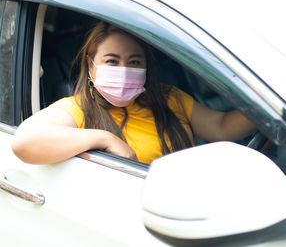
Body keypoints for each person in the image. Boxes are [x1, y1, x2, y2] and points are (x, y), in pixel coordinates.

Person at [11, 21, 256, 165]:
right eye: (112, 61)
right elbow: (25, 142)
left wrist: (272, 111)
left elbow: (222, 127)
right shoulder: (78, 108)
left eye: (135, 62)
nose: (124, 70)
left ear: (146, 66)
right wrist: (105, 139)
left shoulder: (169, 98)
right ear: (91, 65)